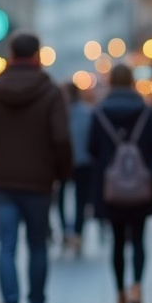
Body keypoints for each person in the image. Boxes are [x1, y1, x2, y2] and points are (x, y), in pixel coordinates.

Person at [0, 31, 72, 303]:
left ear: (11, 56)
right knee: (38, 246)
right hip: (38, 181)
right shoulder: (51, 92)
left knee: (7, 246)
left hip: (0, 180)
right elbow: (62, 138)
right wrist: (60, 172)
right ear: (38, 56)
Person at [88, 64, 152, 303]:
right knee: (140, 240)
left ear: (110, 82)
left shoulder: (99, 112)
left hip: (112, 188)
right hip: (141, 187)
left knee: (118, 242)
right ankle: (137, 290)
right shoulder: (146, 111)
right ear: (132, 82)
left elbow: (91, 148)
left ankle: (120, 296)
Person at [58, 81, 95, 255]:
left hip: (65, 161)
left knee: (62, 199)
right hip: (83, 162)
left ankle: (67, 232)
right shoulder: (88, 112)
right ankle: (77, 233)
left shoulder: (59, 113)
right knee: (81, 200)